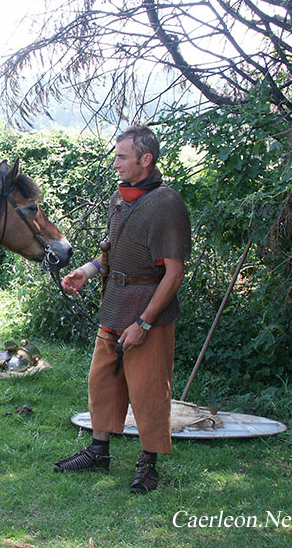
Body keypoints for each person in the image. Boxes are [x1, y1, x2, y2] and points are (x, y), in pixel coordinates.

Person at [54, 125, 191, 493]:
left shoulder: (167, 204)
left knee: (148, 389)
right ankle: (99, 452)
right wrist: (87, 270)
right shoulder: (121, 198)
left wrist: (144, 323)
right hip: (114, 304)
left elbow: (174, 274)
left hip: (150, 310)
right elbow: (112, 251)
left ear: (145, 160)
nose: (115, 164)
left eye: (122, 157)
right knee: (102, 380)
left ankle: (149, 463)